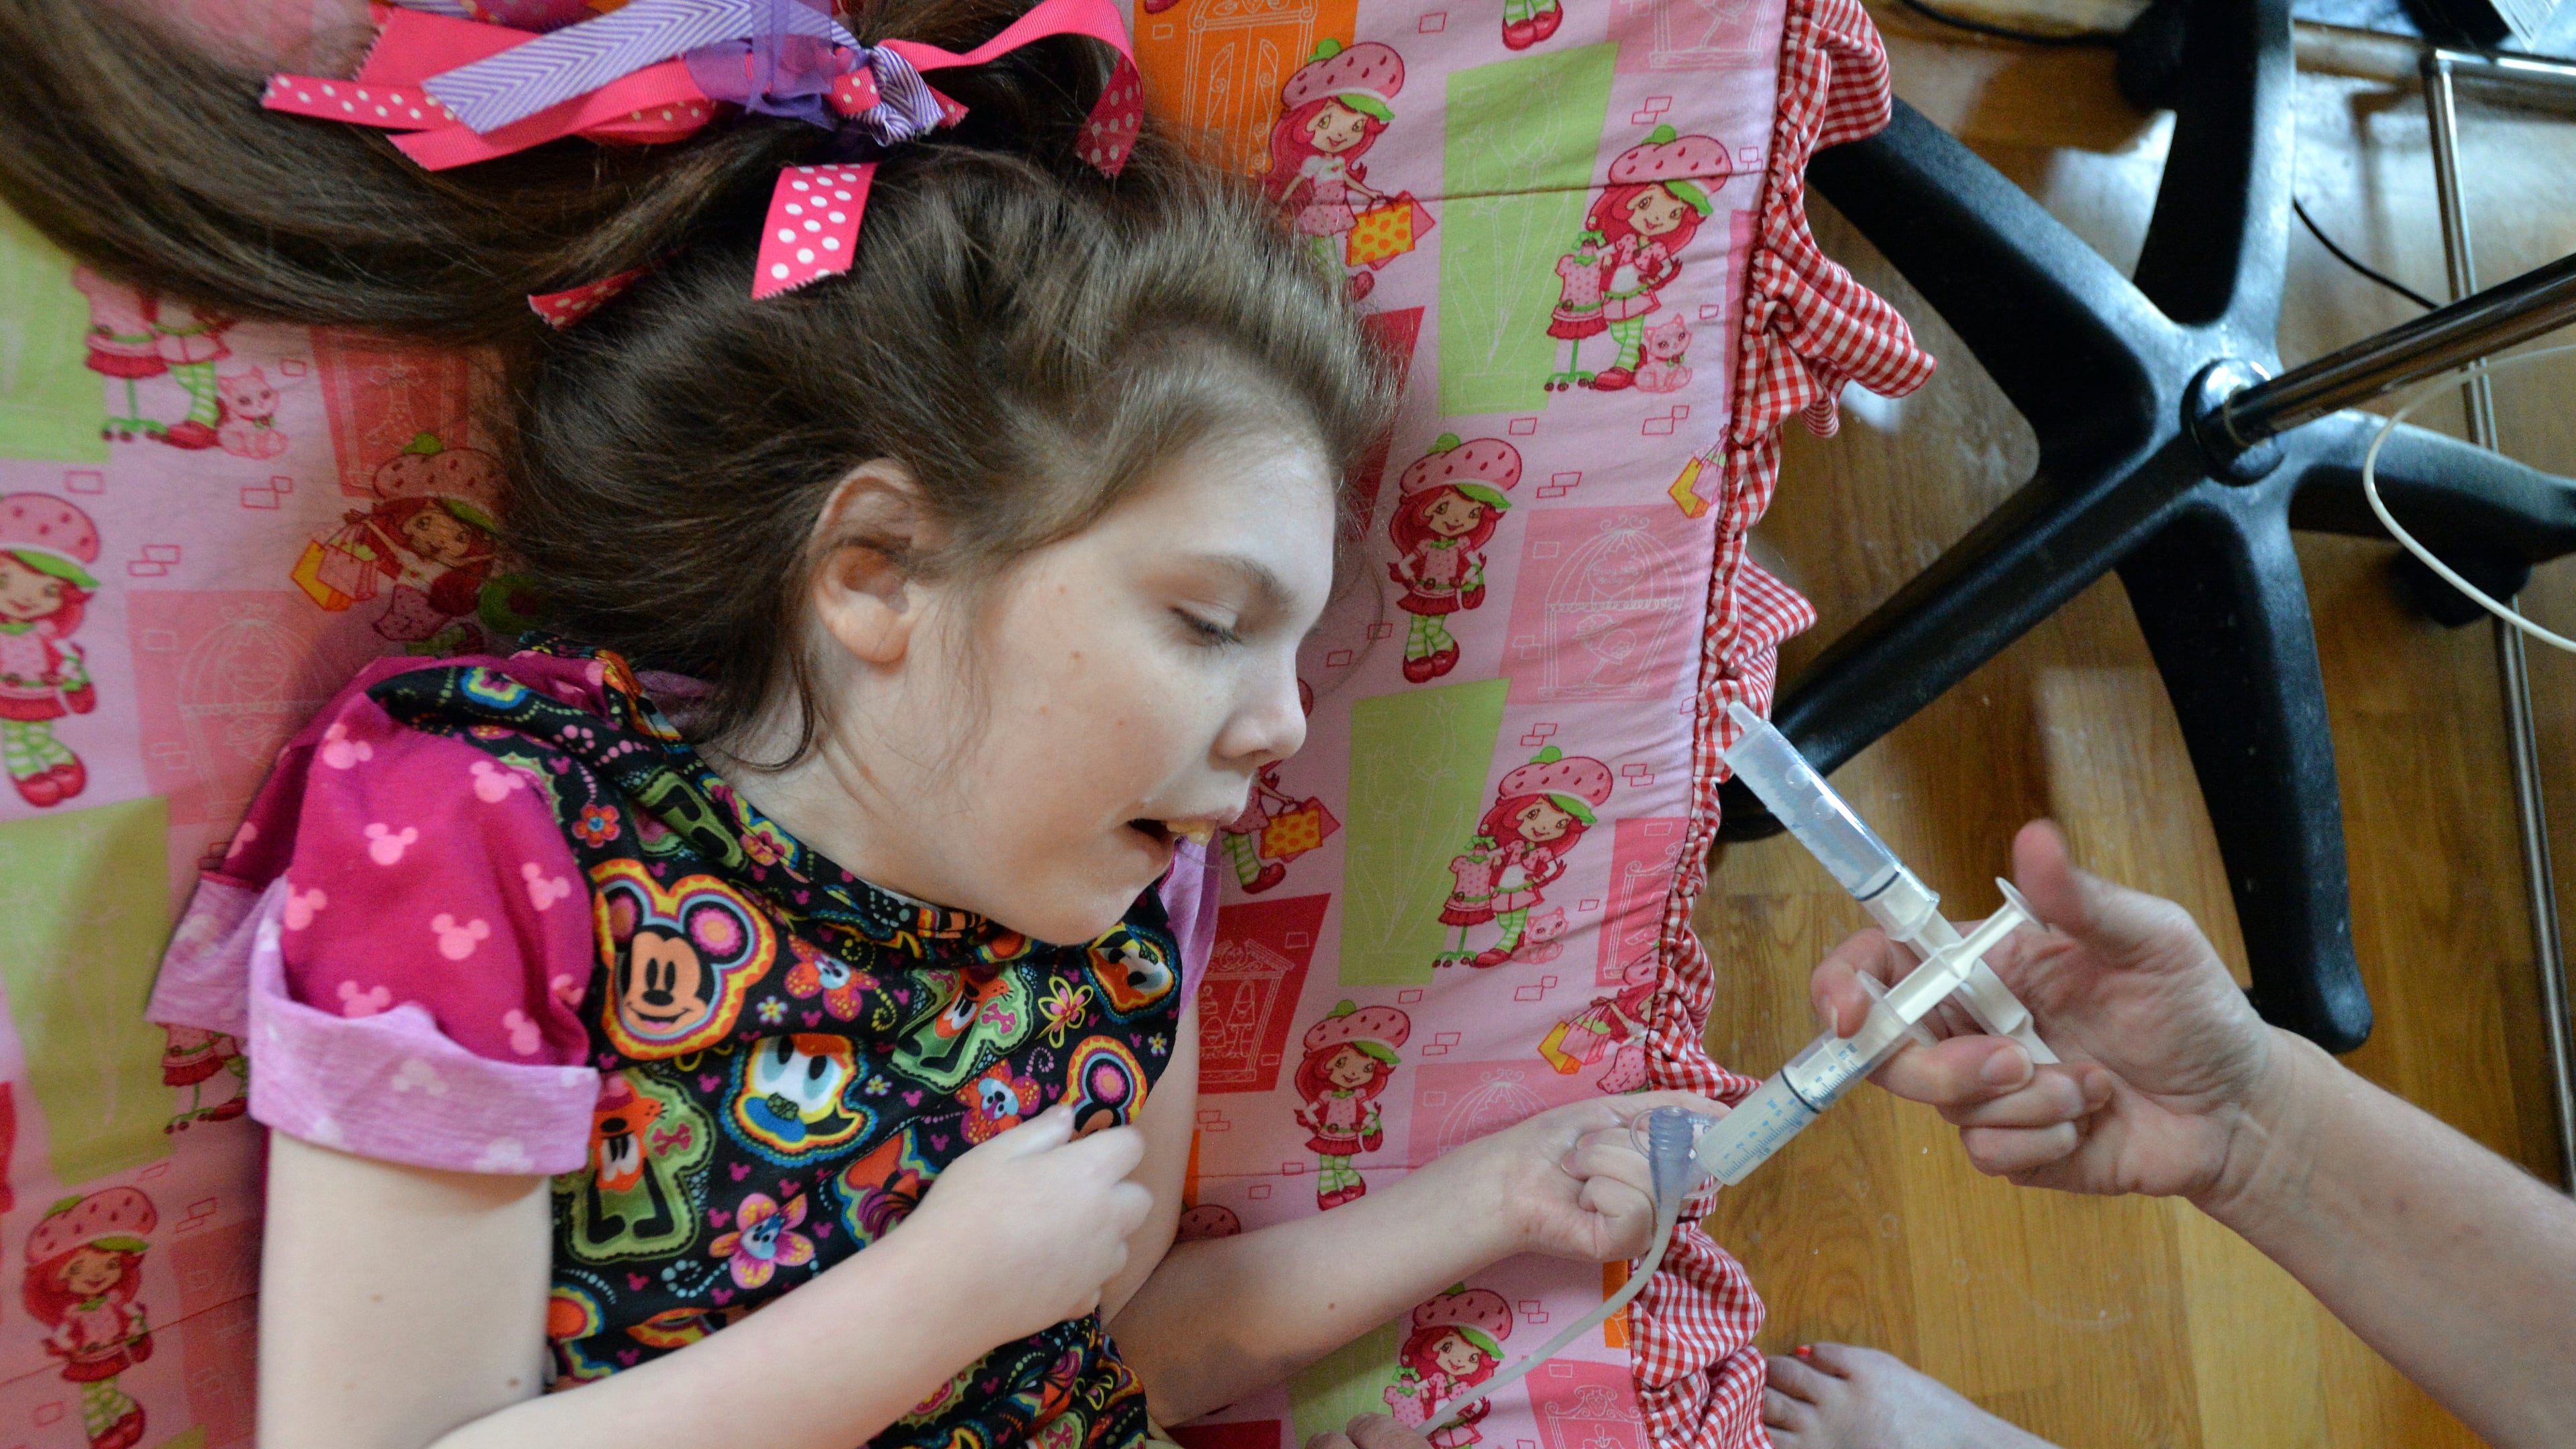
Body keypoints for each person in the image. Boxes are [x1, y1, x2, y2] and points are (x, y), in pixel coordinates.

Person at [0, 3, 1723, 1446]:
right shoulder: (489, 828)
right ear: (878, 568)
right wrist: (926, 1305)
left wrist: (1498, 1206)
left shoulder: (1119, 910)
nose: (1282, 726)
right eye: (1209, 622)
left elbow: (1099, 1361)